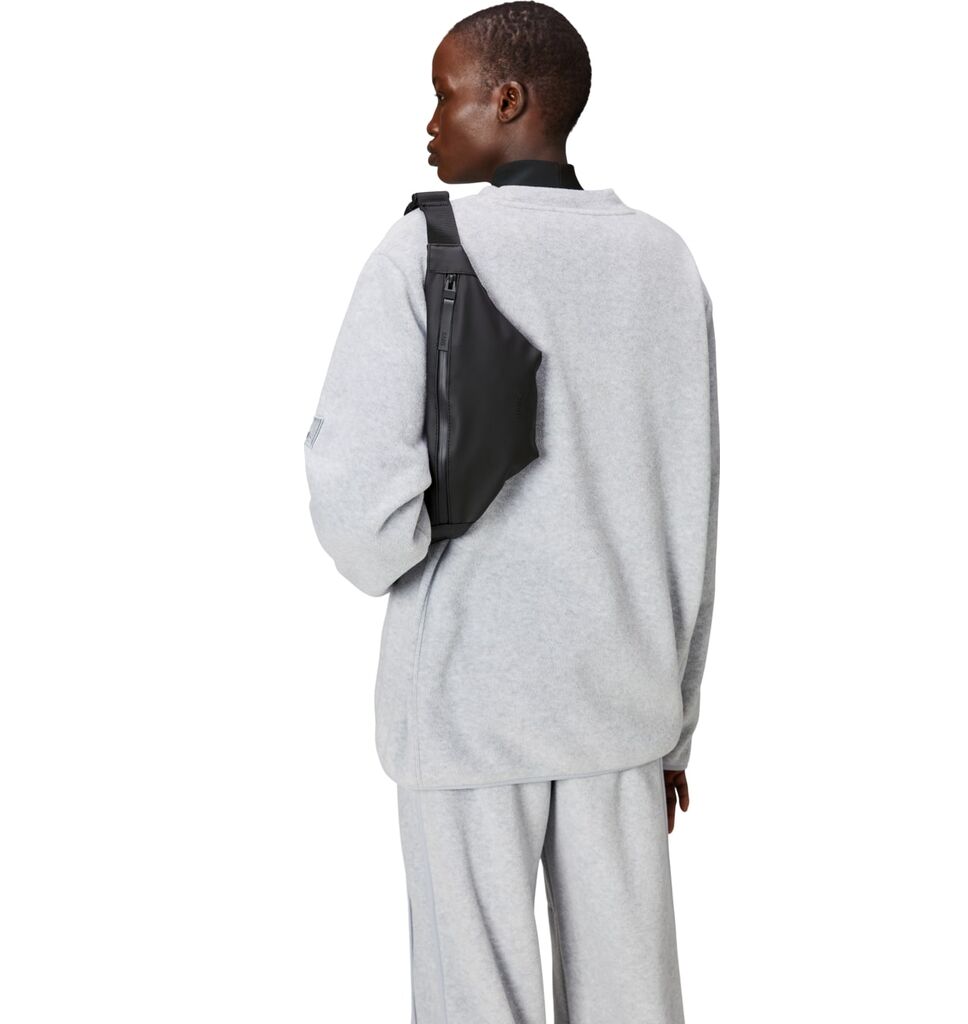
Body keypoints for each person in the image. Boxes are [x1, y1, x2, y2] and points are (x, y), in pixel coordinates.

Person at [303, 3, 719, 1021]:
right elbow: (690, 510)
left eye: (443, 95)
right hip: (622, 703)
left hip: (465, 702)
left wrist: (412, 533)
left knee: (473, 1000)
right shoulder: (663, 259)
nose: (430, 124)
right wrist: (674, 729)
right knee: (630, 999)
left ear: (508, 99)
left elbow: (360, 515)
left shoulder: (424, 248)